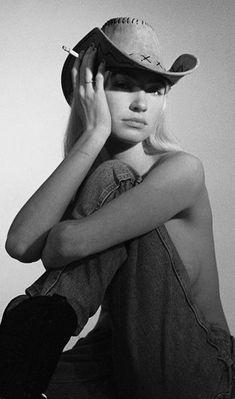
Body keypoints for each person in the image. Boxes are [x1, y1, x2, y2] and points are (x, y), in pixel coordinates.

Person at [1, 16, 235, 399]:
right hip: (117, 358)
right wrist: (93, 135)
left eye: (156, 90)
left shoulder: (182, 170)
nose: (142, 103)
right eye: (123, 85)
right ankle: (23, 356)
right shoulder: (96, 178)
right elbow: (21, 244)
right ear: (90, 90)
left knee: (115, 175)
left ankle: (26, 343)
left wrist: (65, 233)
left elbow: (61, 246)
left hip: (197, 365)